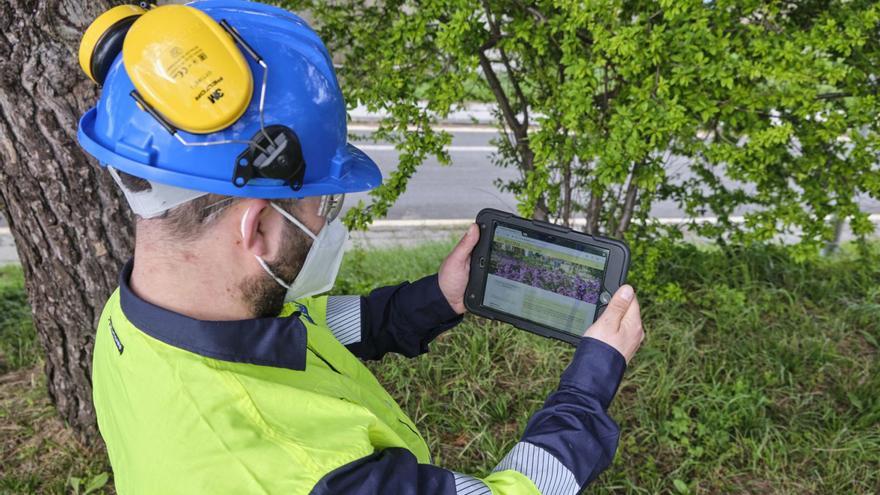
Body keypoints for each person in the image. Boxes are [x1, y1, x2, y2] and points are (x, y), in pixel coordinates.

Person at [75, 1, 644, 493]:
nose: (327, 222)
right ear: (258, 230)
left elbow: (315, 329)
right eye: (325, 205)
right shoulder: (308, 474)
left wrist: (440, 298)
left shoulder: (133, 323)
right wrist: (588, 385)